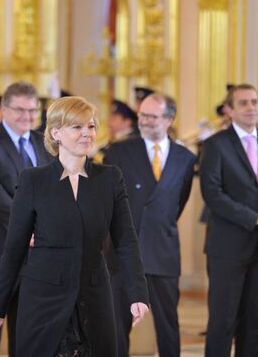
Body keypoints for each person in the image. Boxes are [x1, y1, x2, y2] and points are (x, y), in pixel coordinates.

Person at [0, 96, 150, 356]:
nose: (87, 134)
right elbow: (14, 249)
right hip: (43, 299)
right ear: (55, 132)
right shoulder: (33, 180)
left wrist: (138, 293)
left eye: (91, 126)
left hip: (95, 297)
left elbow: (126, 240)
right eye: (77, 127)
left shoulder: (109, 178)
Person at [200, 83, 258, 357]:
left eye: (254, 102)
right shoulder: (216, 144)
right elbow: (212, 194)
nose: (251, 107)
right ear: (229, 110)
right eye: (243, 103)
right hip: (226, 247)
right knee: (223, 320)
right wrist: (252, 217)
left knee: (255, 320)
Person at [104, 93, 196, 357]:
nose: (143, 121)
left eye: (151, 116)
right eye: (141, 115)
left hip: (163, 253)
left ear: (168, 119)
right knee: (117, 327)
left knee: (168, 326)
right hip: (123, 254)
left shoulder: (185, 158)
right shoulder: (119, 150)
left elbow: (178, 202)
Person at [0, 81, 53, 357]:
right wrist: (26, 225)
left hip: (35, 255)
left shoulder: (43, 143)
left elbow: (52, 189)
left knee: (27, 331)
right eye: (20, 110)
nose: (27, 116)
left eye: (32, 110)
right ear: (4, 109)